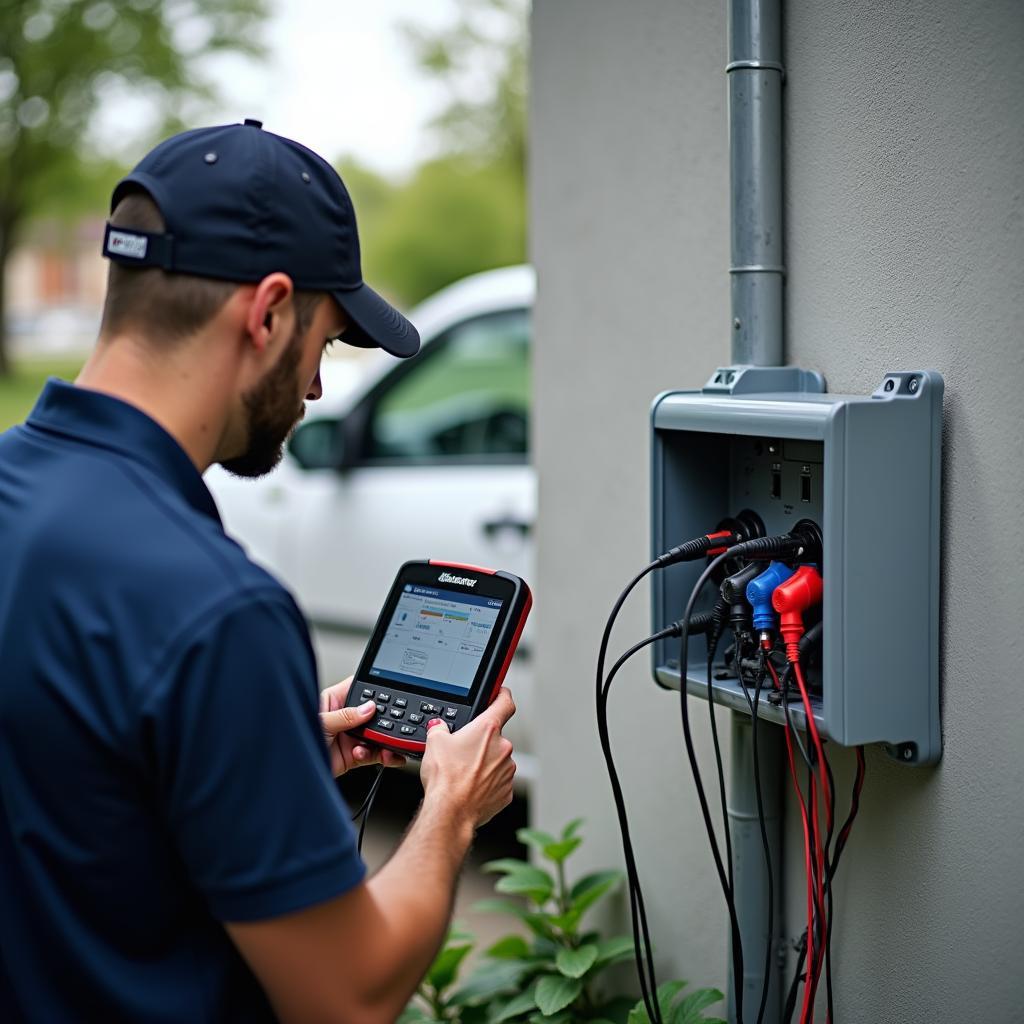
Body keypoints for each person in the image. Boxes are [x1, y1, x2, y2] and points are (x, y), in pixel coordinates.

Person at [0, 120, 518, 1023]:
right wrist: (450, 808)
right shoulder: (218, 610)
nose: (316, 388)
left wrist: (257, 758)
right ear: (269, 310)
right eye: (324, 340)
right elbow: (349, 995)